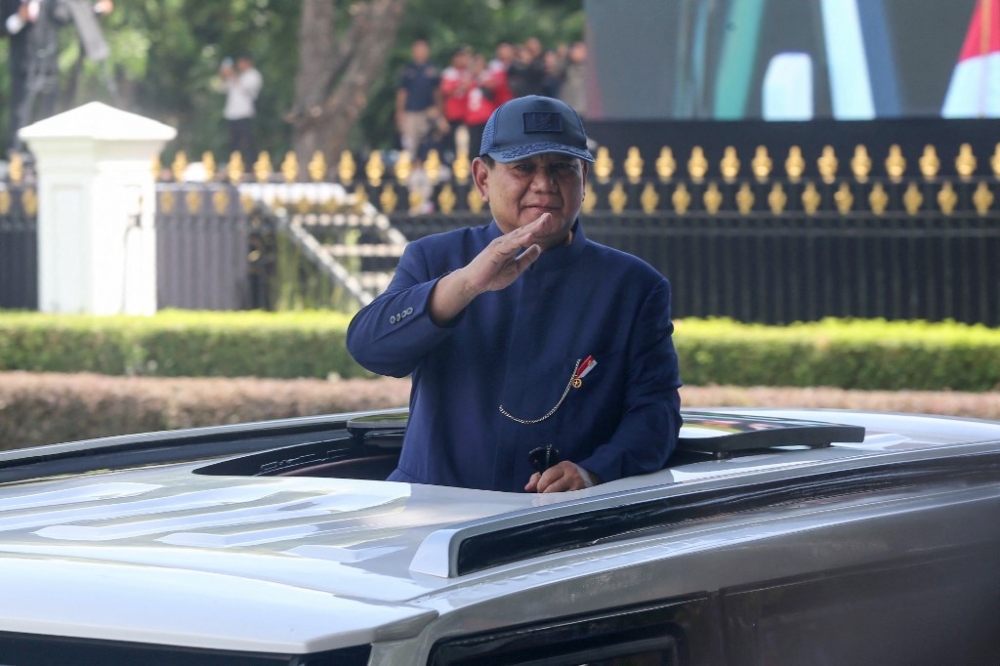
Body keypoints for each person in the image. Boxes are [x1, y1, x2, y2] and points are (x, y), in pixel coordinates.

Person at [347, 95, 682, 493]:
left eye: (562, 167)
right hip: (433, 508)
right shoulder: (435, 258)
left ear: (584, 178)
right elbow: (370, 349)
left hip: (561, 516)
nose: (544, 184)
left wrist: (593, 472)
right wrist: (466, 284)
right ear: (482, 179)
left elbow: (656, 414)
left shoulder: (632, 286)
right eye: (523, 167)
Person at [1, 0, 113, 153]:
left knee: (47, 114)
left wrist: (97, 9)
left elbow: (68, 16)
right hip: (23, 67)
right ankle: (16, 157)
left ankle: (41, 157)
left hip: (49, 66)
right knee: (20, 114)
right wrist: (19, 19)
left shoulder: (50, 2)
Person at [395, 39, 440, 155]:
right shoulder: (407, 70)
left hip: (427, 111)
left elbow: (437, 92)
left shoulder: (432, 69)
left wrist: (439, 109)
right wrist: (400, 111)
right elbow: (402, 92)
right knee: (409, 143)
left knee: (429, 140)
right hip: (410, 111)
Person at [220, 54, 262, 168]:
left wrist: (233, 76)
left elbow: (248, 89)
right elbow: (223, 89)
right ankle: (234, 164)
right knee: (233, 142)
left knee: (246, 141)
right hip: (232, 113)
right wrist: (225, 76)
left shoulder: (253, 75)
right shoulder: (238, 75)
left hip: (244, 113)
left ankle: (249, 166)